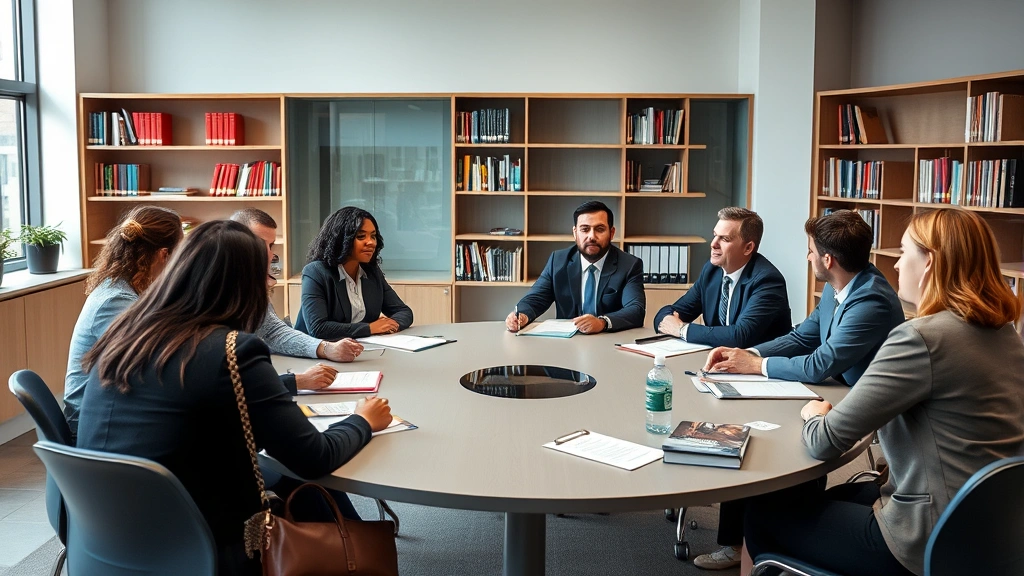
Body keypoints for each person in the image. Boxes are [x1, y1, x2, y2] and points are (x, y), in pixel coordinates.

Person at [77, 220, 394, 576]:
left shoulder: (128, 331)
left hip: (104, 540)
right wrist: (363, 420)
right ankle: (359, 556)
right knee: (303, 477)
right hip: (203, 545)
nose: (271, 283)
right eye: (269, 272)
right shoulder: (232, 350)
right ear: (246, 284)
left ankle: (353, 551)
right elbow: (314, 457)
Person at [744, 208, 1024, 576]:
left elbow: (823, 441)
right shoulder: (1006, 334)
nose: (894, 266)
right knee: (807, 498)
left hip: (921, 538)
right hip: (991, 533)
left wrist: (814, 415)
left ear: (930, 263)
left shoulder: (922, 338)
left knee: (762, 512)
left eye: (905, 252)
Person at [693, 209, 905, 570]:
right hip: (836, 394)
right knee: (757, 429)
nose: (807, 257)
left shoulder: (870, 300)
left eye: (810, 251)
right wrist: (750, 353)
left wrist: (757, 366)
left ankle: (762, 544)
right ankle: (753, 537)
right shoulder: (838, 285)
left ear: (827, 259)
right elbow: (804, 336)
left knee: (789, 452)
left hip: (862, 407)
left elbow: (822, 362)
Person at [64, 206, 182, 441]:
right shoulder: (116, 300)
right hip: (91, 421)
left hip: (108, 406)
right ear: (164, 255)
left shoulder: (128, 287)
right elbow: (150, 359)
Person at [230, 209, 364, 384]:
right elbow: (223, 384)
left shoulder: (251, 283)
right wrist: (295, 381)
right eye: (260, 244)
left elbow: (272, 331)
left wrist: (325, 348)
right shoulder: (214, 292)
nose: (271, 256)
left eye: (271, 246)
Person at [653, 207, 791, 348]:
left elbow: (740, 336)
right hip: (718, 360)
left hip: (757, 364)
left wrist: (681, 329)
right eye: (715, 235)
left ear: (748, 248)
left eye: (724, 239)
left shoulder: (768, 281)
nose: (713, 244)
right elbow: (673, 311)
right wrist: (667, 320)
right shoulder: (712, 271)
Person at [506, 201, 645, 334]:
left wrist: (602, 322)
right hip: (567, 343)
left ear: (612, 233)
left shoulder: (629, 265)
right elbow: (536, 299)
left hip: (610, 340)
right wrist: (521, 315)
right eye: (585, 229)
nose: (591, 236)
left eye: (600, 229)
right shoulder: (558, 261)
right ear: (575, 233)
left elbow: (636, 310)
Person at [294, 206, 413, 339]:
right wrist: (369, 328)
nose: (371, 242)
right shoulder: (316, 272)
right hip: (316, 353)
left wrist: (389, 325)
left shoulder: (371, 272)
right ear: (341, 239)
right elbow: (318, 328)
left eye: (373, 236)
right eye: (361, 236)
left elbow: (404, 312)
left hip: (362, 348)